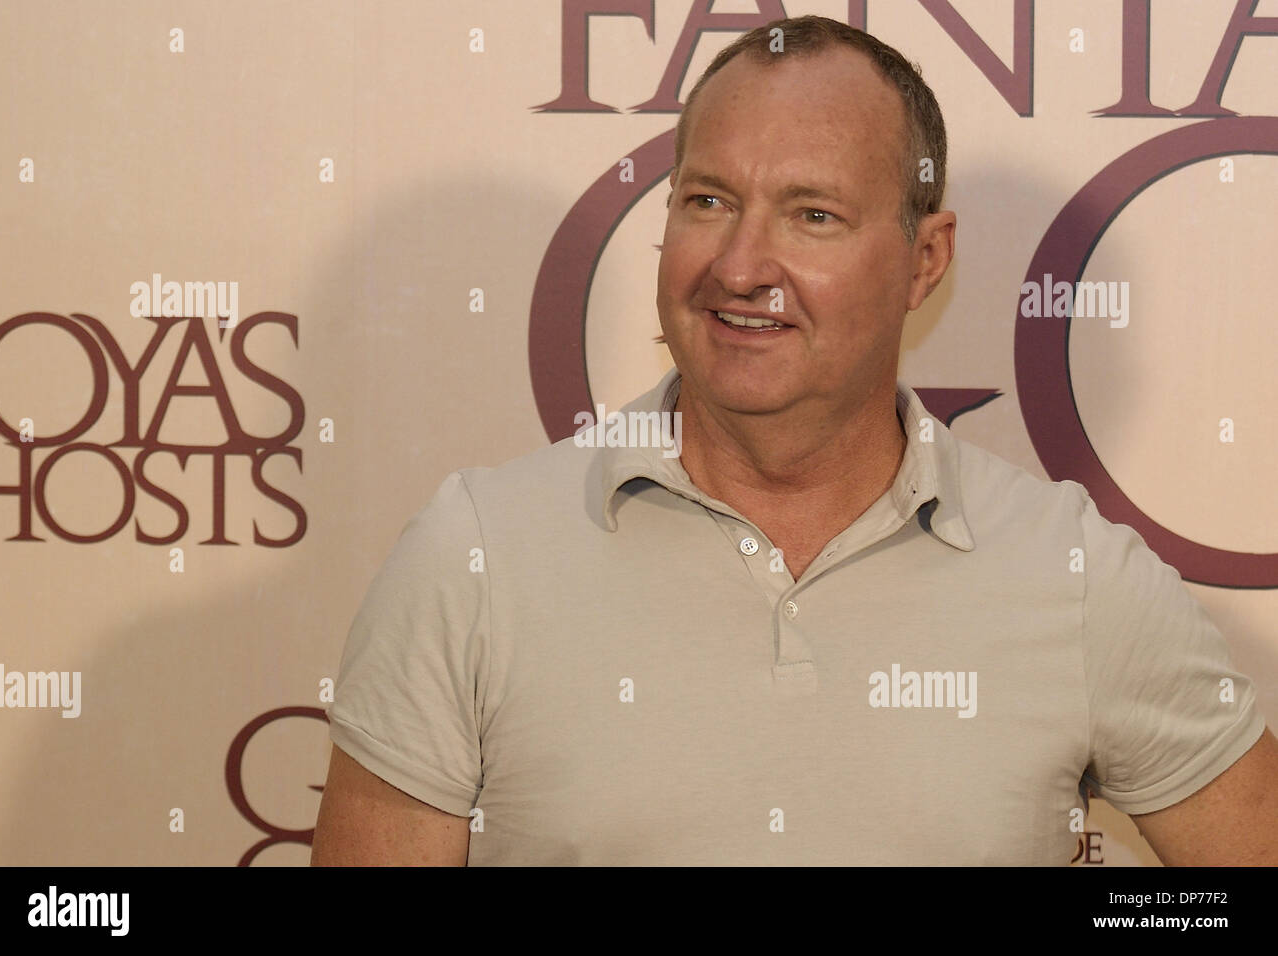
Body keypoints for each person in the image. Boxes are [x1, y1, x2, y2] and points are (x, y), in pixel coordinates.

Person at [311, 15, 1277, 865]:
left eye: (812, 216)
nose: (740, 266)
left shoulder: (1074, 577)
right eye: (708, 202)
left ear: (924, 259)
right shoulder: (470, 558)